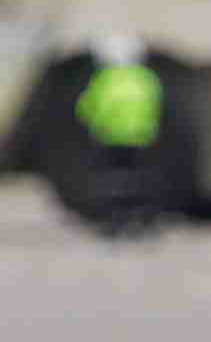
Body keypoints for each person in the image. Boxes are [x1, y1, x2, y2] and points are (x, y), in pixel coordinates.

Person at [65, 42, 169, 239]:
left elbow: (88, 107)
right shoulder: (145, 78)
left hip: (110, 137)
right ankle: (143, 221)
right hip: (142, 136)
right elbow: (158, 104)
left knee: (112, 182)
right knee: (140, 180)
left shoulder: (105, 80)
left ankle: (114, 221)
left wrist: (93, 126)